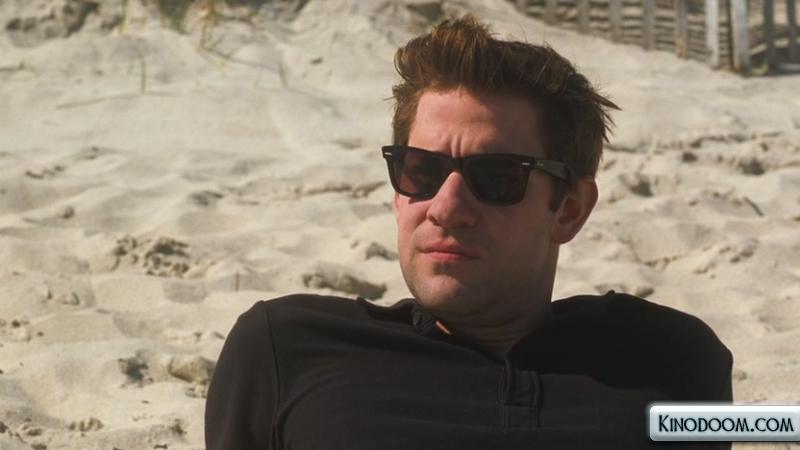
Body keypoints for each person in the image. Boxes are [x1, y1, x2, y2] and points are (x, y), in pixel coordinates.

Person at [205, 15, 733, 450]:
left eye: (497, 178)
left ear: (569, 210)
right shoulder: (289, 349)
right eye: (421, 171)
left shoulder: (667, 361)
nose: (447, 208)